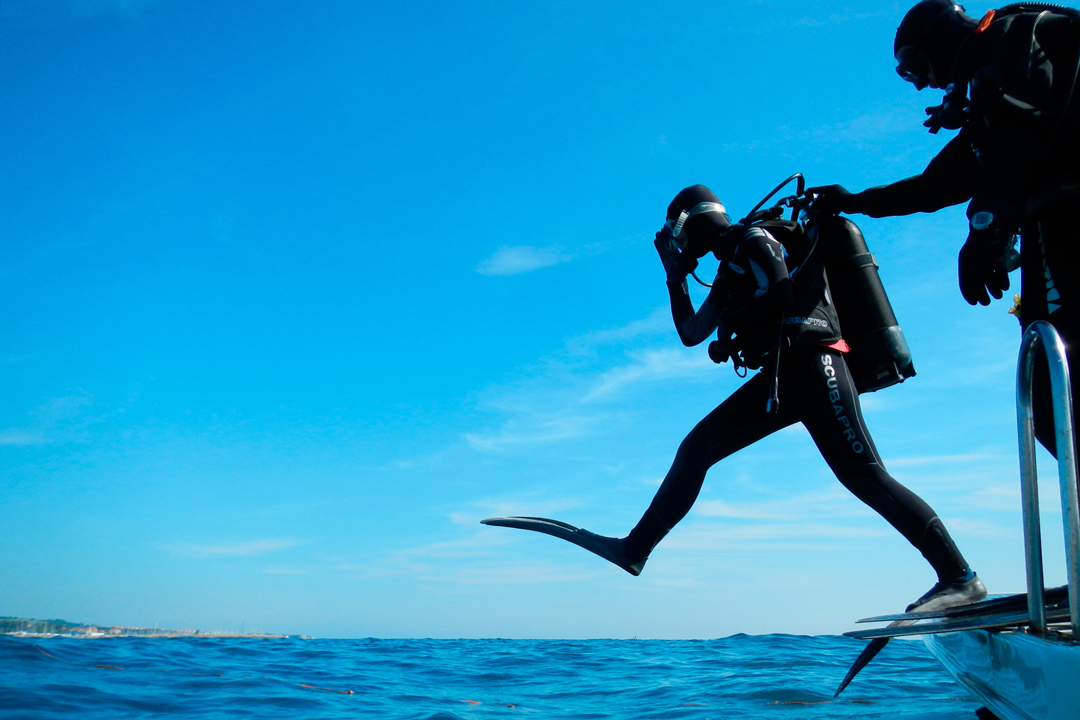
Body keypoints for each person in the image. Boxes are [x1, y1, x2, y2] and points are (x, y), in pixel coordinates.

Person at [485, 184, 985, 613]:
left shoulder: (751, 239)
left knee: (865, 475)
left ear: (687, 224)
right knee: (697, 449)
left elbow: (784, 290)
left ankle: (960, 577)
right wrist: (674, 275)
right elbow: (690, 331)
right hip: (788, 377)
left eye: (675, 234)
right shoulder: (728, 270)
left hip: (816, 364)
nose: (677, 243)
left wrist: (737, 326)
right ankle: (634, 550)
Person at [809, 0, 1080, 460]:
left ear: (939, 41)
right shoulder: (1006, 82)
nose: (924, 85)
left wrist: (986, 229)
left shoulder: (1004, 44)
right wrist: (854, 201)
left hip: (1066, 219)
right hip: (1054, 219)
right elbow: (936, 184)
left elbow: (1015, 143)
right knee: (1049, 396)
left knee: (1054, 395)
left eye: (915, 67)